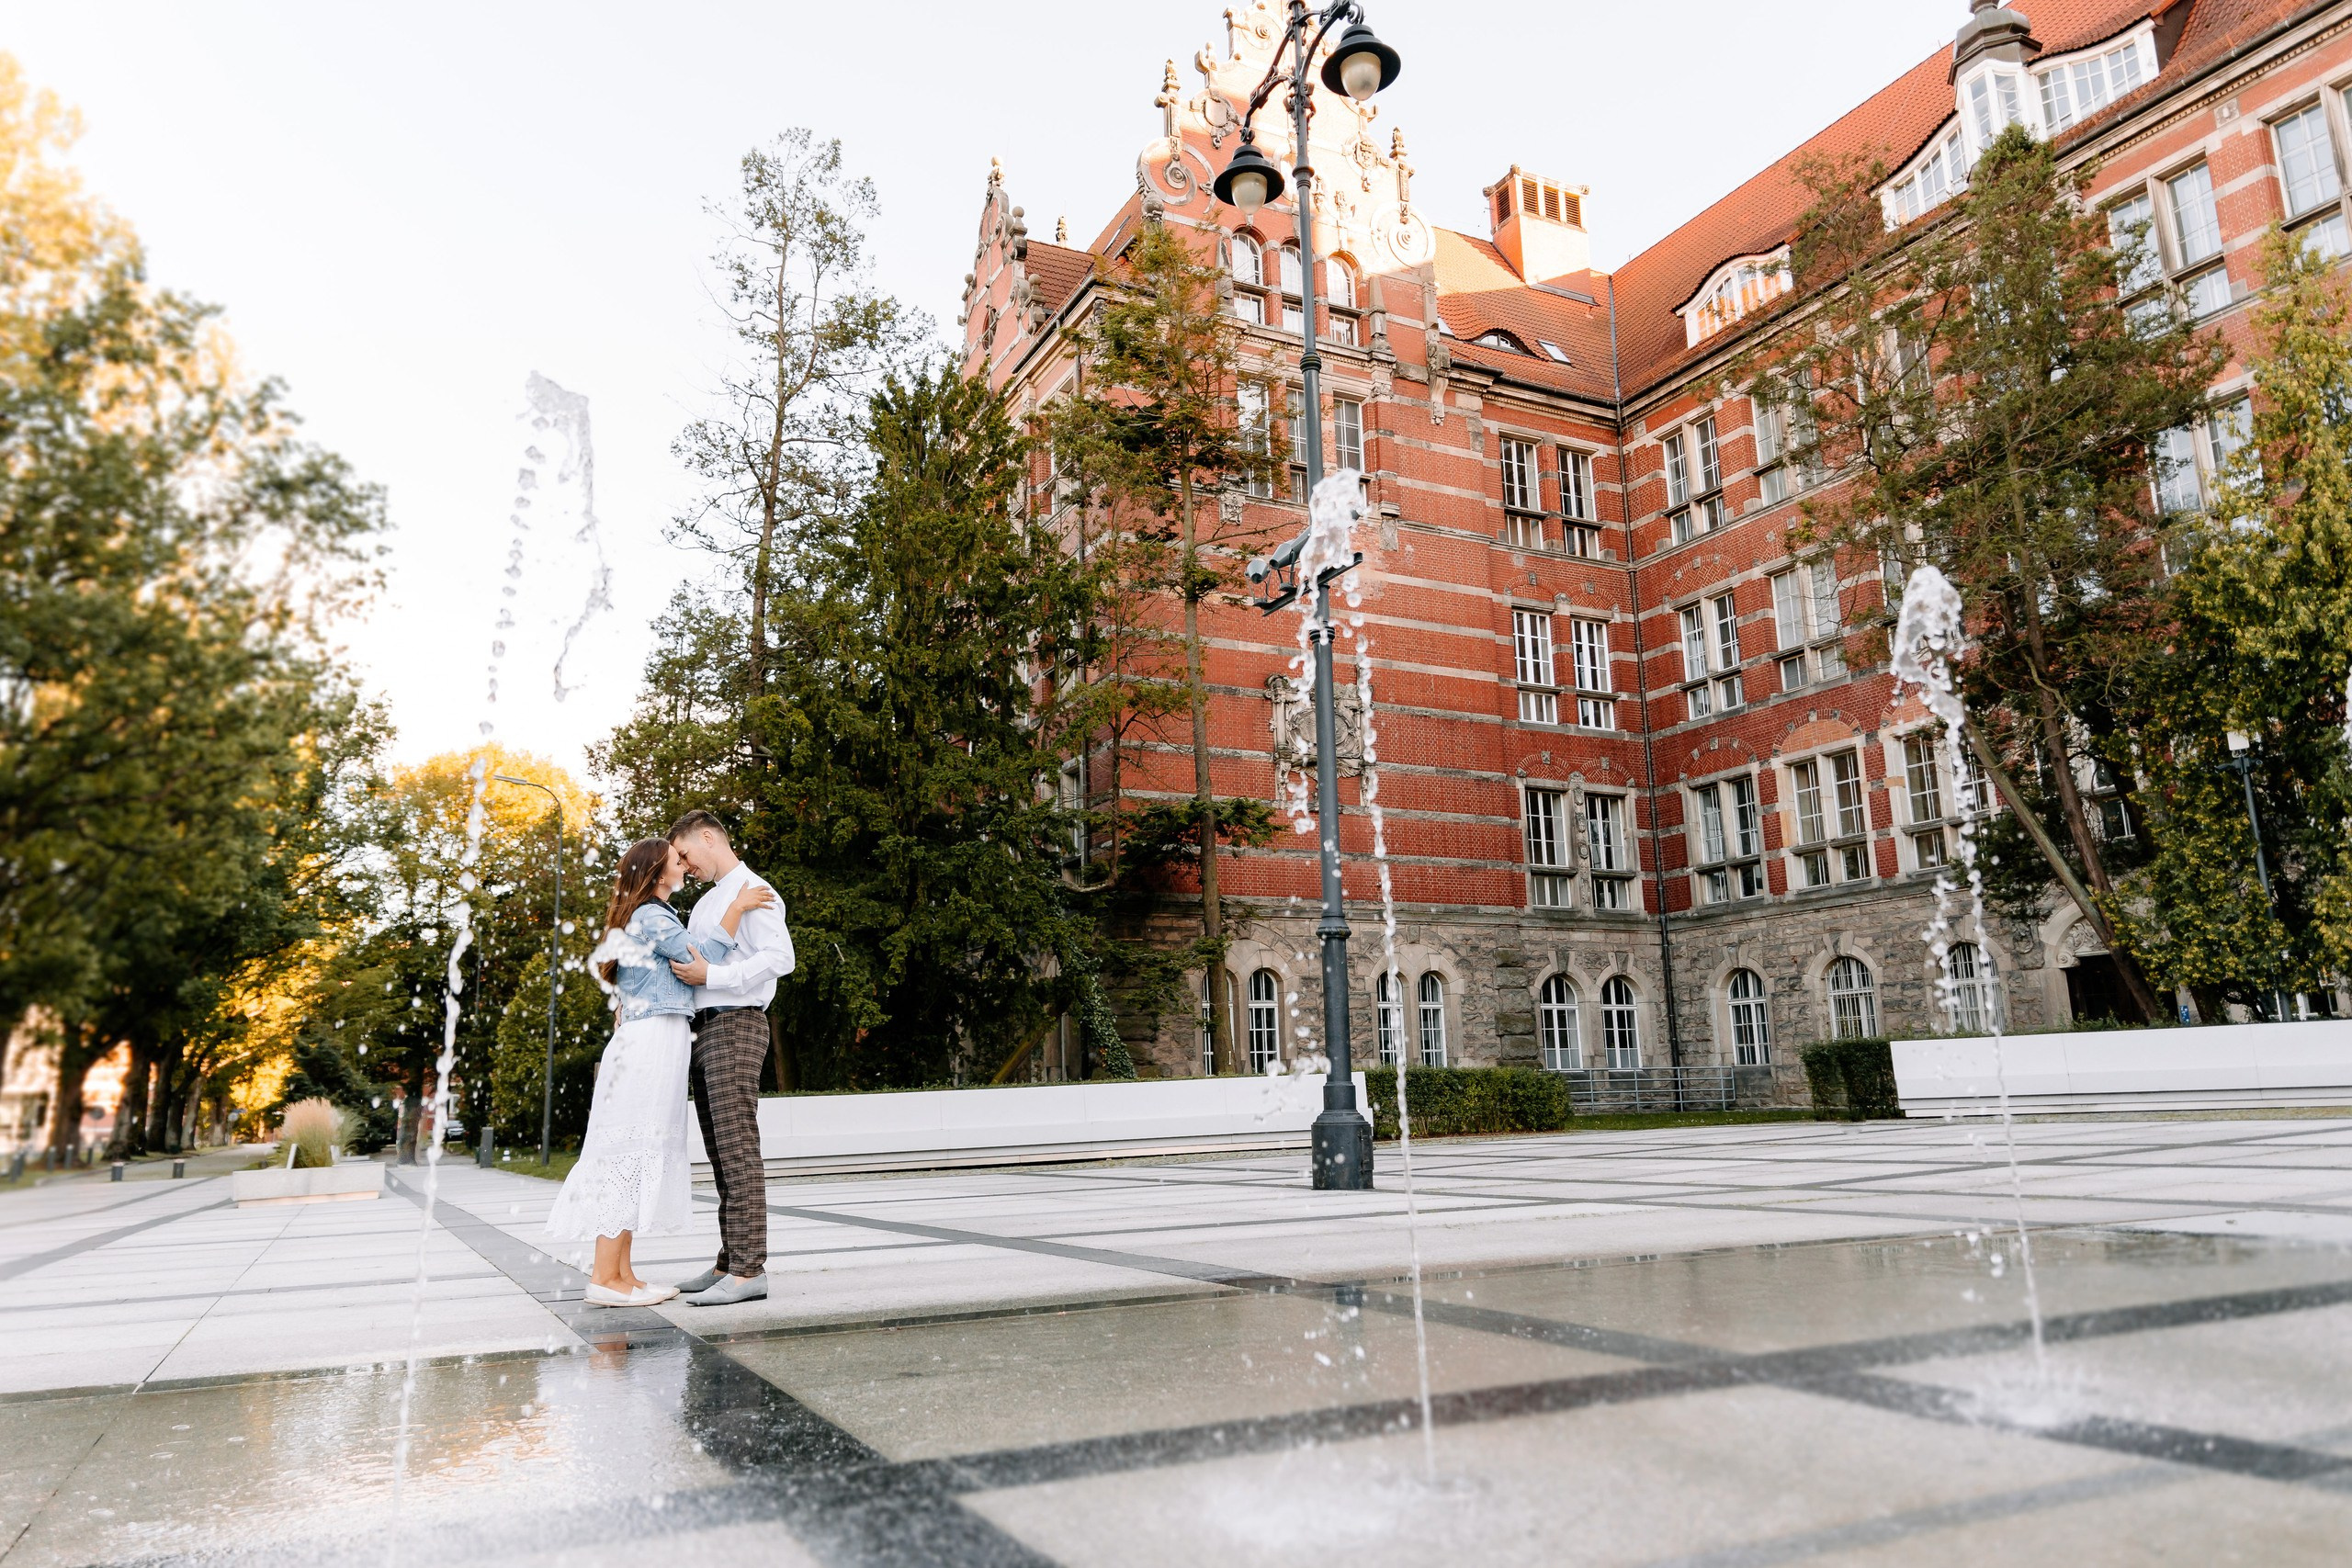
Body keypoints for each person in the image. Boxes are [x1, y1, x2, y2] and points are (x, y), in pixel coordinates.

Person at [545, 837, 774, 1307]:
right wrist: (736, 907)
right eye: (676, 862)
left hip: (657, 1041)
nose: (685, 867)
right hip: (649, 1045)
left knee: (639, 1152)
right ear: (655, 873)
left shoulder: (650, 914)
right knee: (628, 1154)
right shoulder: (652, 914)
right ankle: (605, 1278)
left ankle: (622, 1274)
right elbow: (699, 957)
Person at [665, 808, 794, 1306]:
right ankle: (728, 1262)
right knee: (721, 1154)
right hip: (704, 1030)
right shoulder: (711, 902)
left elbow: (781, 959)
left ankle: (748, 1271)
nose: (683, 864)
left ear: (708, 837)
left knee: (738, 1148)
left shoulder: (755, 890)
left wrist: (713, 980)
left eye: (685, 854)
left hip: (736, 1024)